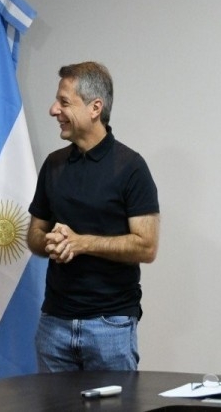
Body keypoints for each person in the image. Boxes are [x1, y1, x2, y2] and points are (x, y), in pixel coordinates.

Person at [27, 61, 160, 373]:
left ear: (94, 108)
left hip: (110, 326)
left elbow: (147, 246)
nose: (53, 110)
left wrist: (81, 243)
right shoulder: (53, 164)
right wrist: (52, 242)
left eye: (64, 102)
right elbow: (34, 236)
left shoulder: (131, 167)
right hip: (53, 323)